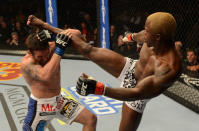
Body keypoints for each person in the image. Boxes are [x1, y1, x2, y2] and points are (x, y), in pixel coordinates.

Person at [26, 12, 182, 131]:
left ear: (158, 37)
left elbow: (137, 92)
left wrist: (99, 89)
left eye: (147, 32)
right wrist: (130, 37)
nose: (144, 32)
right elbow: (139, 35)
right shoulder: (150, 35)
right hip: (132, 67)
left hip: (137, 92)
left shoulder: (169, 68)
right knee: (88, 49)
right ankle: (47, 26)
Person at [21, 29, 97, 131]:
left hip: (59, 102)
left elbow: (77, 34)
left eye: (46, 54)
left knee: (90, 118)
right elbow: (45, 75)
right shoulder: (26, 63)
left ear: (48, 47)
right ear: (30, 52)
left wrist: (56, 35)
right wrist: (59, 49)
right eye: (39, 57)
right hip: (41, 106)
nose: (44, 58)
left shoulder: (53, 46)